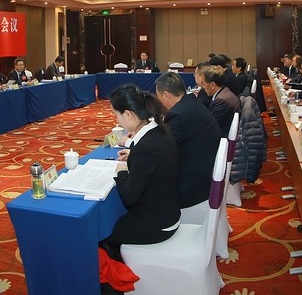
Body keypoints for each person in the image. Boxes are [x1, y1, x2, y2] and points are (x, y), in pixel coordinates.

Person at [102, 85, 181, 256]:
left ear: (128, 114)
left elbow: (129, 197)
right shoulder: (158, 130)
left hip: (159, 224)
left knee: (104, 234)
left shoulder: (146, 148)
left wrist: (122, 172)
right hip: (168, 211)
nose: (116, 120)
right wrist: (133, 154)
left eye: (116, 114)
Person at [155, 72, 222, 209]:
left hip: (192, 186)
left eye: (159, 97)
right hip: (205, 171)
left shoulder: (178, 114)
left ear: (166, 95)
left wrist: (131, 145)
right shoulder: (191, 102)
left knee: (149, 181)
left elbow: (161, 148)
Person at [202, 65, 240, 133]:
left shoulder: (221, 101)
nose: (203, 87)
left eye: (204, 84)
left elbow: (211, 126)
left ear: (212, 85)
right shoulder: (224, 91)